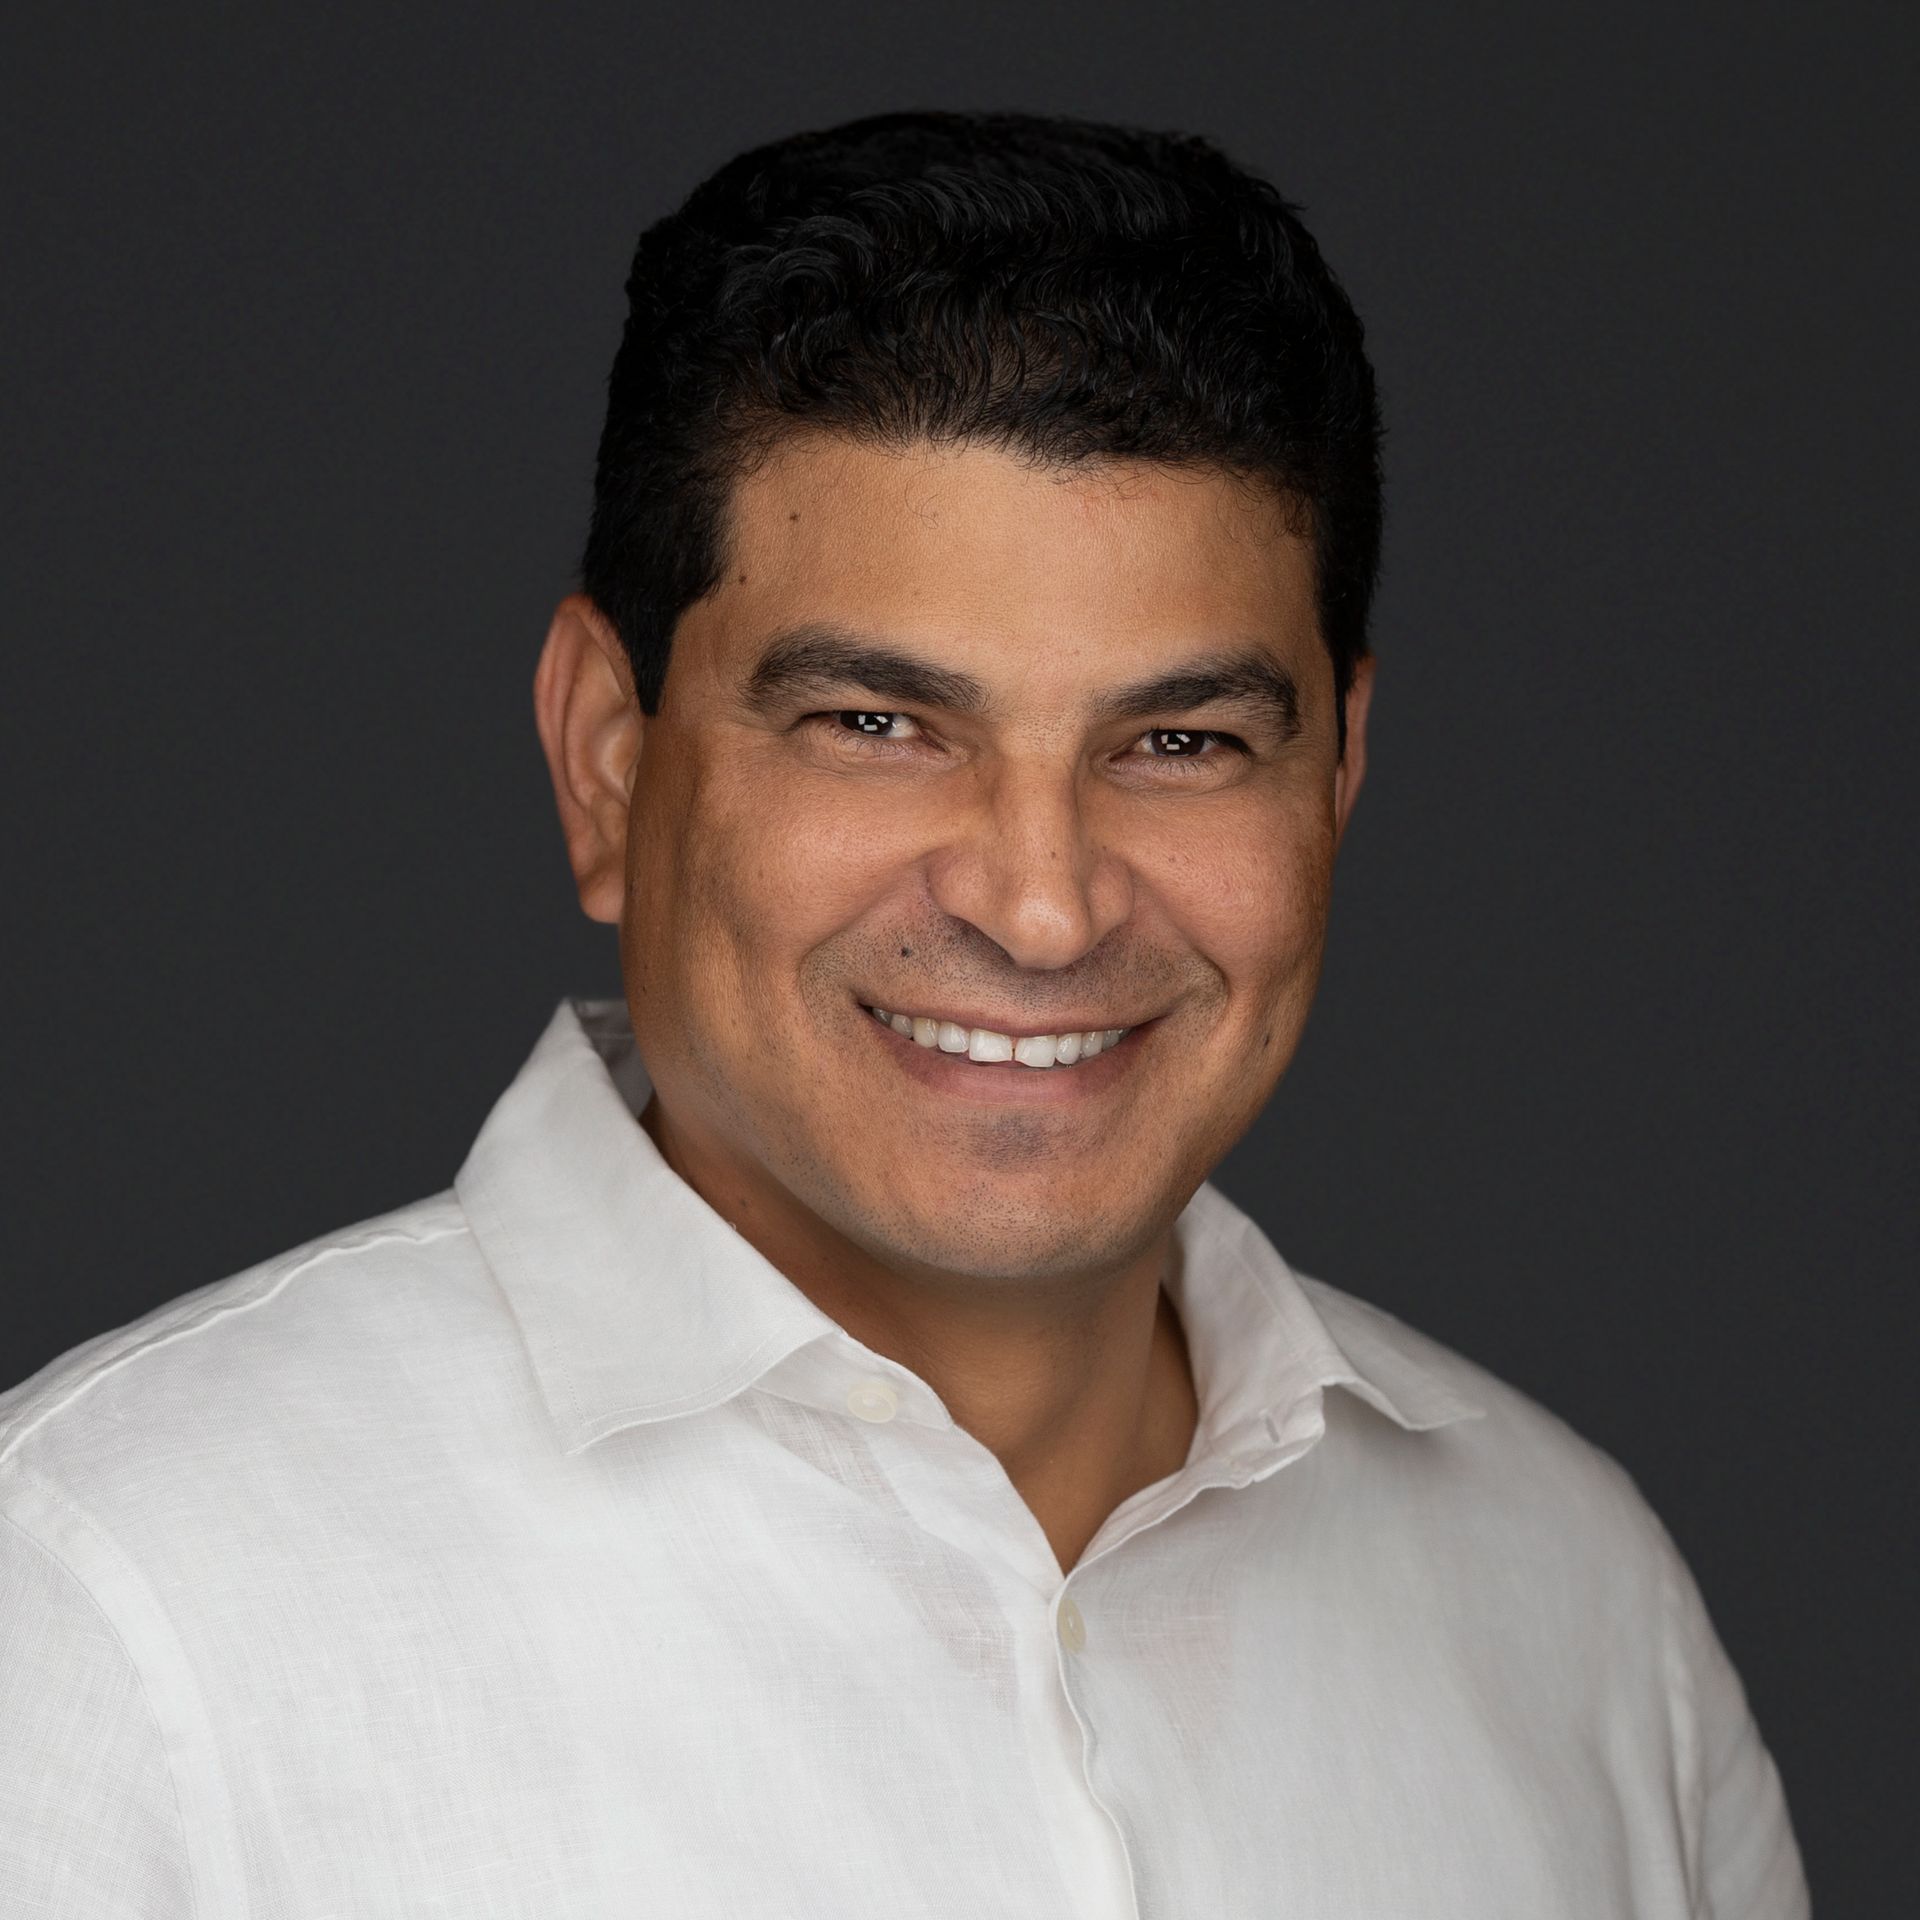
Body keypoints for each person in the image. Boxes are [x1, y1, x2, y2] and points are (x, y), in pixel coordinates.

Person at [0, 110, 1808, 1916]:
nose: (1042, 902)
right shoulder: (113, 1612)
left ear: (1337, 777)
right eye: (877, 725)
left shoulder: (1578, 1613)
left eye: (1179, 743)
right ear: (607, 764)